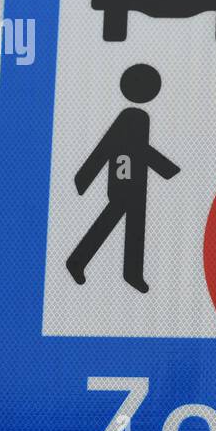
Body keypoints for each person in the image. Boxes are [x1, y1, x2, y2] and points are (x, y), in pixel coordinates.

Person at [66, 63, 179, 293]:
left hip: (138, 183)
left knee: (134, 229)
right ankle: (77, 260)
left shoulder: (140, 117)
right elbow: (110, 147)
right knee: (109, 223)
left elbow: (137, 149)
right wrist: (84, 178)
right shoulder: (130, 117)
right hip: (124, 181)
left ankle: (132, 274)